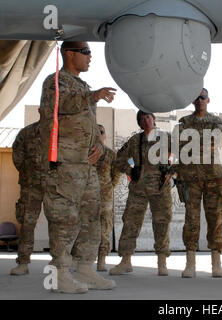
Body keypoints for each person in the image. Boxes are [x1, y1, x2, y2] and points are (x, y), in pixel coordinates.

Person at [39, 41, 117, 293]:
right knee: (65, 219)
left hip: (86, 166)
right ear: (70, 54)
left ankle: (85, 268)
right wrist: (92, 96)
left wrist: (98, 147)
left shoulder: (83, 86)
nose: (90, 57)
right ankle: (59, 274)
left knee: (91, 217)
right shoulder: (55, 81)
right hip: (64, 164)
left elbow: (89, 124)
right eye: (86, 52)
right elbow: (61, 105)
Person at [109, 111, 173, 276]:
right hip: (138, 188)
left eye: (148, 117)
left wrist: (173, 171)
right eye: (142, 118)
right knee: (130, 222)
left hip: (160, 188)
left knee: (161, 223)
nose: (146, 120)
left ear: (154, 119)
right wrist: (130, 169)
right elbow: (119, 159)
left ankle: (162, 261)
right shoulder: (135, 140)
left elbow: (184, 154)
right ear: (139, 123)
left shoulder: (166, 138)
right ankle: (125, 261)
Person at [175, 88, 222, 278]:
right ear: (192, 101)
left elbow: (217, 140)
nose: (199, 100)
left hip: (214, 178)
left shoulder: (216, 122)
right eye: (196, 97)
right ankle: (190, 263)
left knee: (215, 219)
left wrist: (194, 144)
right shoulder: (184, 123)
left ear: (208, 100)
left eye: (203, 97)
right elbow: (179, 146)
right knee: (191, 220)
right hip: (191, 179)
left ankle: (216, 262)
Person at [10, 119, 44, 276]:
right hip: (31, 185)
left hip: (57, 185)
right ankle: (23, 262)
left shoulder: (61, 130)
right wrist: (28, 173)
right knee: (27, 223)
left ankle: (62, 264)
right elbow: (17, 156)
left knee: (61, 223)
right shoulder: (26, 133)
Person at [95, 124, 122, 271]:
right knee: (82, 227)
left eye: (101, 132)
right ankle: (79, 258)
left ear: (105, 135)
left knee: (104, 228)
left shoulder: (111, 154)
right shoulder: (85, 153)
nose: (99, 134)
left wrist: (109, 187)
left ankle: (102, 259)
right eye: (96, 132)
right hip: (86, 197)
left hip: (105, 198)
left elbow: (117, 173)